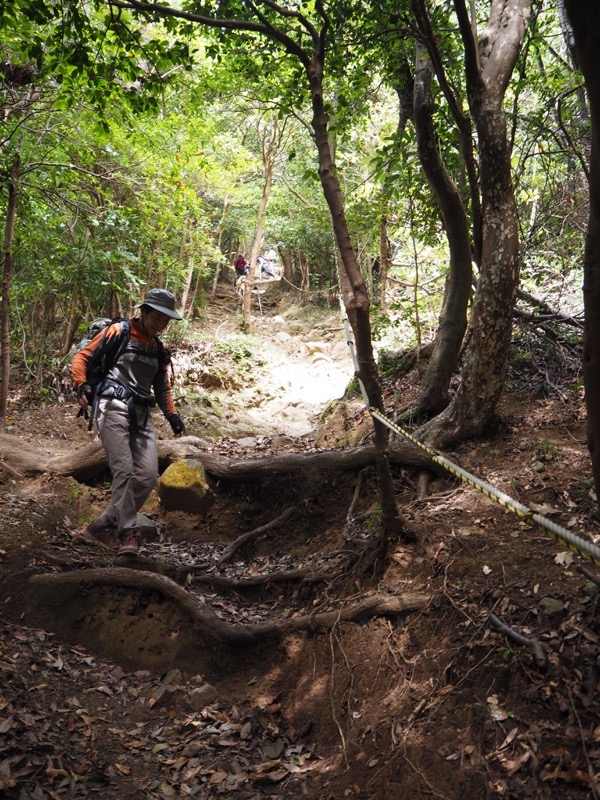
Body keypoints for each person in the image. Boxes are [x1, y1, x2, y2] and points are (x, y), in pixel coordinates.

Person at [72, 288, 186, 555]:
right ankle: (127, 532)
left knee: (146, 476)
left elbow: (162, 388)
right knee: (123, 470)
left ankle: (102, 526)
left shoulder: (159, 349)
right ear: (143, 311)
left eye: (165, 321)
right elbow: (82, 357)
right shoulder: (118, 332)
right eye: (157, 318)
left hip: (142, 414)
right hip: (112, 405)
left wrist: (172, 415)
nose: (161, 325)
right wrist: (81, 386)